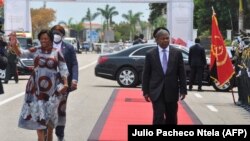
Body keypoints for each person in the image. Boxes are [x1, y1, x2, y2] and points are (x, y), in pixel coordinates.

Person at [17, 29, 69, 141]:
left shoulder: (56, 52)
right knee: (39, 120)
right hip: (36, 89)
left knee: (49, 122)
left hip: (52, 90)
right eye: (41, 39)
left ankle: (49, 137)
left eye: (45, 38)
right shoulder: (36, 50)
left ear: (50, 39)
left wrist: (65, 83)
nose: (43, 41)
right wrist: (14, 45)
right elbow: (21, 53)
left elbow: (63, 68)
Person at [142, 27, 187, 125]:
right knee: (158, 116)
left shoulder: (177, 53)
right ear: (157, 40)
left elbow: (181, 73)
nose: (166, 40)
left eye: (167, 38)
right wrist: (145, 91)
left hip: (172, 90)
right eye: (163, 38)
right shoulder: (150, 54)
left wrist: (183, 90)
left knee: (171, 117)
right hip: (156, 91)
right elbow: (146, 74)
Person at [51, 25, 79, 141]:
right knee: (47, 108)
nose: (55, 35)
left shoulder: (68, 47)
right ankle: (47, 133)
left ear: (62, 35)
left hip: (64, 83)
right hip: (48, 84)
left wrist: (74, 79)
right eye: (54, 32)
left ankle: (60, 134)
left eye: (58, 33)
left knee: (61, 109)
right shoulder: (46, 46)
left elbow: (74, 64)